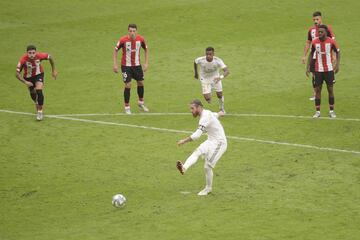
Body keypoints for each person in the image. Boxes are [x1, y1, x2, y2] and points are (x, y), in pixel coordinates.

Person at [176, 99, 227, 196]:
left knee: (207, 167)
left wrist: (183, 141)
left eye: (192, 108)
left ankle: (208, 189)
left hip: (219, 143)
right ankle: (184, 168)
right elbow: (214, 115)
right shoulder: (207, 113)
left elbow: (196, 136)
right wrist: (220, 113)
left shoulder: (204, 117)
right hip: (211, 140)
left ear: (199, 107)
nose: (191, 111)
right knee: (197, 152)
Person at [113, 24, 149, 114]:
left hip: (137, 65)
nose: (132, 33)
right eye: (130, 31)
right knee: (128, 84)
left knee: (140, 82)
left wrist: (146, 63)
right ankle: (127, 107)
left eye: (134, 31)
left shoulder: (141, 39)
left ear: (136, 31)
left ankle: (141, 103)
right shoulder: (123, 40)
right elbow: (115, 50)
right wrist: (115, 65)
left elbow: (146, 49)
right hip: (126, 66)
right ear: (128, 31)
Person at [15, 45, 57, 121]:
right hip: (28, 78)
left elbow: (50, 57)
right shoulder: (23, 60)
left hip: (39, 75)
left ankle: (40, 112)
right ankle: (37, 102)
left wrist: (53, 70)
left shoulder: (40, 56)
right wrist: (25, 82)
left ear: (36, 52)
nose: (32, 55)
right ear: (27, 53)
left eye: (33, 53)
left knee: (39, 90)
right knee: (33, 93)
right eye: (30, 53)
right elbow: (17, 74)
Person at [306, 25, 340, 118]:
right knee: (317, 90)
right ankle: (317, 112)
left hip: (329, 70)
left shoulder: (331, 41)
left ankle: (331, 111)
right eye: (318, 32)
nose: (319, 34)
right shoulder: (315, 42)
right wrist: (308, 67)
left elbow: (338, 51)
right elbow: (311, 53)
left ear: (325, 32)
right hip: (318, 70)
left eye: (321, 32)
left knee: (330, 90)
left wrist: (337, 64)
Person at [302, 11, 335, 101]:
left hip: (326, 57)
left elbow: (333, 43)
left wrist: (334, 55)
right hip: (314, 56)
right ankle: (316, 94)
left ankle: (329, 93)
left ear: (321, 19)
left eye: (317, 19)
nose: (315, 21)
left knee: (326, 76)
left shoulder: (327, 29)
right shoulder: (311, 30)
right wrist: (304, 55)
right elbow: (308, 43)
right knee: (314, 75)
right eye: (314, 20)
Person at [194, 47, 229, 113]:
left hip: (215, 78)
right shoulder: (201, 59)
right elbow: (195, 62)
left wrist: (220, 77)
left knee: (219, 95)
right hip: (205, 79)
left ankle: (221, 108)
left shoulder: (218, 60)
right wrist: (196, 73)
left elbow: (227, 71)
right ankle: (210, 90)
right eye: (207, 54)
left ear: (213, 54)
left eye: (210, 54)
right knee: (207, 99)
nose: (208, 56)